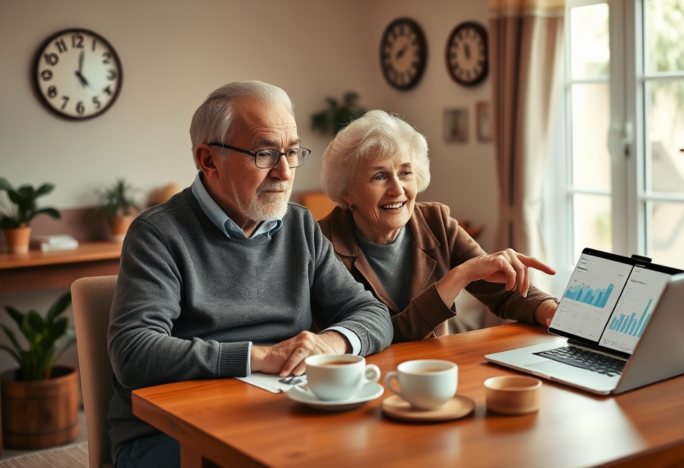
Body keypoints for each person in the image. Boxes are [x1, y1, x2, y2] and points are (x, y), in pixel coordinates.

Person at [107, 82, 393, 468]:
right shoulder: (158, 233)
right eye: (264, 154)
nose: (284, 171)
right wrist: (258, 357)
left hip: (280, 412)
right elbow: (134, 352)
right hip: (170, 431)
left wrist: (331, 344)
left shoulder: (299, 225)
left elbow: (372, 313)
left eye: (292, 152)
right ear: (208, 160)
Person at [319, 110, 559, 344]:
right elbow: (379, 336)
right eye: (379, 176)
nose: (397, 189)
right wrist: (460, 276)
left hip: (437, 372)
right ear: (347, 192)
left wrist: (549, 309)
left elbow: (502, 291)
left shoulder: (436, 221)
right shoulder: (322, 243)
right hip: (369, 378)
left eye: (405, 173)